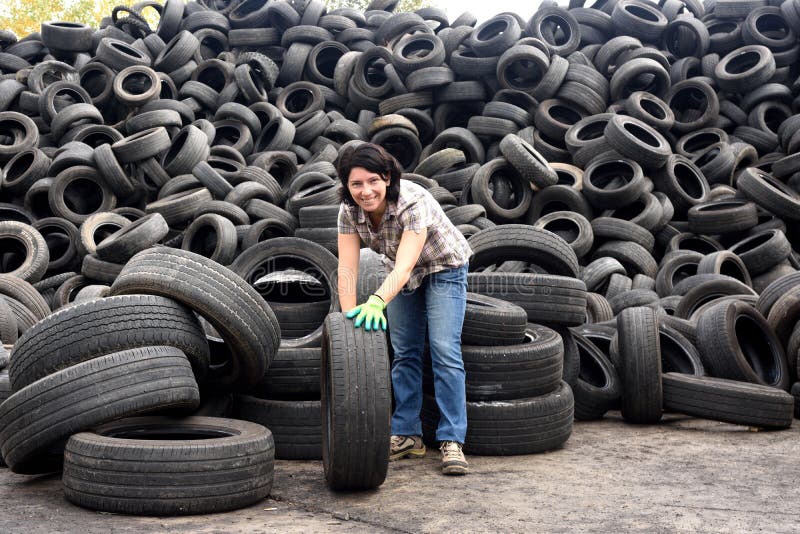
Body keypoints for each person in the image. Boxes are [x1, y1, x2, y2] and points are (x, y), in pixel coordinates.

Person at [335, 142, 473, 476]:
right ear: (347, 186)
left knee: (443, 349)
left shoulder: (412, 201)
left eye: (372, 181)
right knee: (405, 352)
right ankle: (408, 434)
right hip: (399, 273)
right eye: (356, 184)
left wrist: (377, 301)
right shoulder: (348, 212)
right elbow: (348, 269)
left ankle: (452, 439)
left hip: (443, 268)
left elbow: (406, 266)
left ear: (386, 178)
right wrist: (348, 320)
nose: (365, 191)